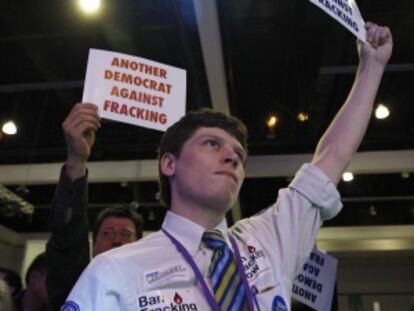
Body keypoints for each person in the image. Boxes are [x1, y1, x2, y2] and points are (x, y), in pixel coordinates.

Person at [61, 22, 392, 310]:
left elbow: (331, 159)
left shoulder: (268, 240)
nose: (232, 157)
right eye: (211, 143)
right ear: (169, 163)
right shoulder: (115, 270)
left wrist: (372, 68)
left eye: (238, 154)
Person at [45, 102, 144, 310]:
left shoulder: (155, 293)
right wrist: (77, 159)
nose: (117, 240)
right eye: (107, 233)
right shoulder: (75, 285)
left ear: (138, 245)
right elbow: (67, 234)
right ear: (93, 244)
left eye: (126, 235)